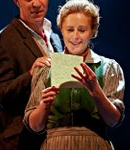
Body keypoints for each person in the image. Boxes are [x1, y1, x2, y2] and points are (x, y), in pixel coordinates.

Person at [23, 0, 125, 149]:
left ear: (93, 31)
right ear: (61, 30)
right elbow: (35, 127)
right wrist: (45, 105)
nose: (75, 36)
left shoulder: (109, 67)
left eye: (82, 30)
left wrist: (95, 89)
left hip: (94, 144)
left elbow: (113, 121)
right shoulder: (46, 68)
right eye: (70, 30)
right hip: (56, 145)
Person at [0, 0, 63, 150]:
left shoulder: (55, 37)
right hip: (21, 143)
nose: (36, 3)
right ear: (17, 1)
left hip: (54, 140)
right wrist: (31, 75)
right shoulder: (2, 42)